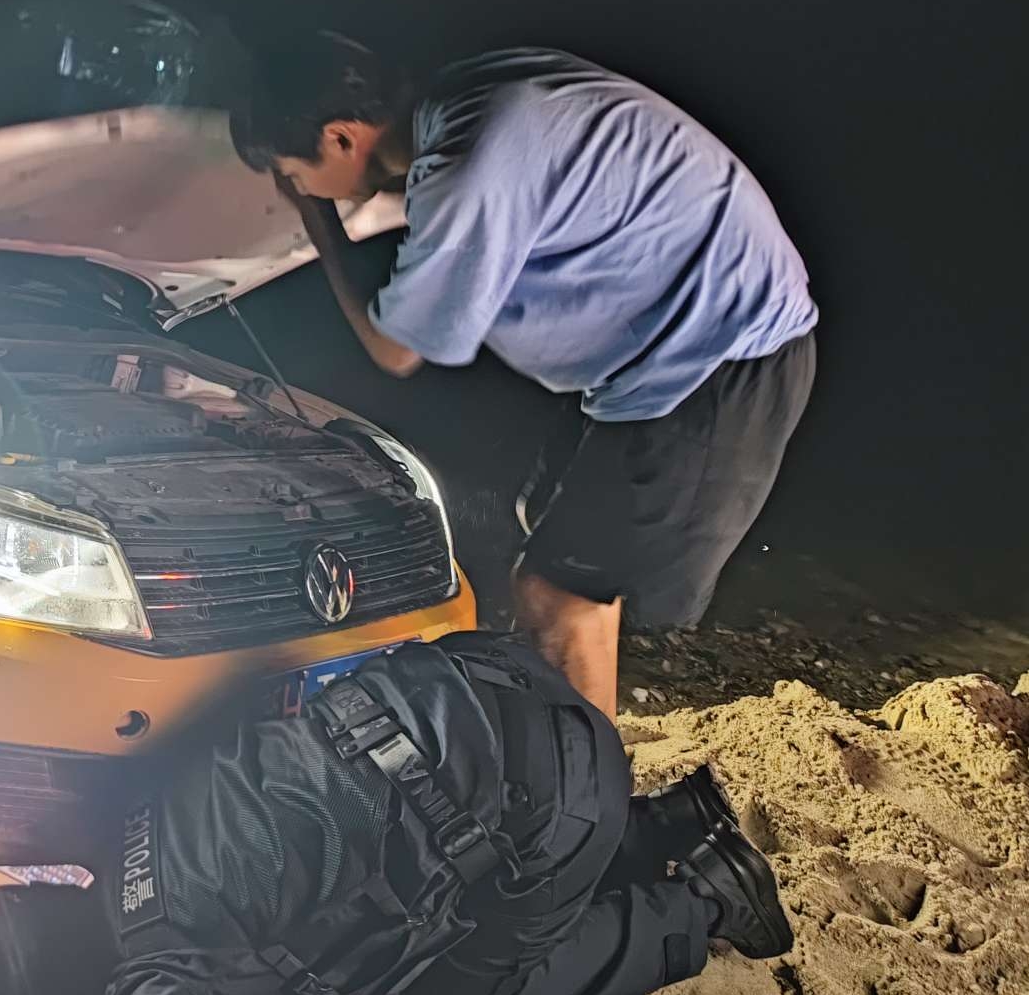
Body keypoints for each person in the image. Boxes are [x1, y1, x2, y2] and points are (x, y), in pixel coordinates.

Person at [232, 40, 817, 715]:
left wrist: (318, 223)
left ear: (340, 137)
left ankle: (590, 776)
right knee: (546, 530)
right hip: (677, 346)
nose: (298, 188)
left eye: (292, 174)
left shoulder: (464, 164)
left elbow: (397, 349)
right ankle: (585, 733)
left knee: (556, 593)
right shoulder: (469, 90)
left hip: (716, 359)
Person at [0, 632, 792, 995]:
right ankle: (665, 824)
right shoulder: (115, 818)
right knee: (424, 864)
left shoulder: (151, 972)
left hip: (556, 791)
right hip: (473, 675)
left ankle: (709, 898)